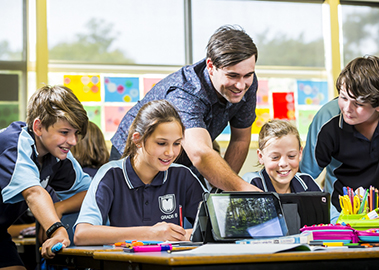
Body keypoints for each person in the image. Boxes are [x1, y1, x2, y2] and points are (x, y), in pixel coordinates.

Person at [110, 25, 260, 193]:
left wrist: (224, 193)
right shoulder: (186, 92)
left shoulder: (249, 83)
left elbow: (240, 139)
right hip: (137, 154)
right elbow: (200, 154)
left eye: (248, 75)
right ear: (210, 66)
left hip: (184, 157)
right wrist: (243, 188)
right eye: (232, 76)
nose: (241, 85)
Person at [300, 55, 379, 230]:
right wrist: (332, 220)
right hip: (341, 221)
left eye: (358, 103)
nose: (347, 109)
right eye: (343, 97)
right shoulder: (326, 119)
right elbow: (304, 177)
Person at [74, 100, 207, 245]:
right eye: (161, 143)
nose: (170, 153)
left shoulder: (183, 176)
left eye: (176, 143)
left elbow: (219, 226)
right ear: (137, 140)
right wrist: (151, 234)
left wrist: (188, 234)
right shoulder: (110, 175)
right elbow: (82, 234)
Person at [0, 85, 91, 267]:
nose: (73, 141)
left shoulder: (58, 157)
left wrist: (59, 208)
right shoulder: (13, 143)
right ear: (39, 127)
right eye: (64, 132)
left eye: (76, 133)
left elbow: (92, 192)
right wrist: (57, 229)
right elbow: (33, 192)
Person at [242, 120, 322, 193]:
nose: (283, 163)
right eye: (275, 157)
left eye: (291, 156)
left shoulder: (306, 183)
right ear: (260, 156)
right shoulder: (252, 183)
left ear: (300, 153)